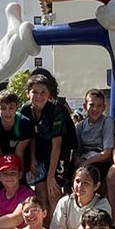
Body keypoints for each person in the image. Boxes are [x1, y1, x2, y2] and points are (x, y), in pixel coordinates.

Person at [20, 67, 69, 213]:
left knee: (53, 193)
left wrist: (50, 177)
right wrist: (32, 158)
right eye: (35, 92)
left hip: (58, 154)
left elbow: (57, 145)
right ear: (28, 93)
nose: (39, 96)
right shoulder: (25, 110)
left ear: (49, 93)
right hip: (40, 154)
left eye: (43, 92)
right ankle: (44, 226)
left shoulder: (56, 110)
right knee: (41, 196)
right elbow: (31, 136)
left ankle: (59, 226)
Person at [0, 90, 34, 174]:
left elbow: (19, 153)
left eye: (11, 108)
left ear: (17, 107)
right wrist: (0, 176)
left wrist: (20, 176)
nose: (7, 112)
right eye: (3, 108)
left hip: (22, 159)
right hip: (3, 157)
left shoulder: (25, 124)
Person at [75, 88, 115, 179]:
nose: (95, 109)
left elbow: (106, 153)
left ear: (104, 107)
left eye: (99, 106)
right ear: (85, 106)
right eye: (91, 105)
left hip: (100, 161)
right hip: (84, 159)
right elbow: (77, 151)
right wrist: (76, 160)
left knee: (88, 175)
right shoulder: (81, 126)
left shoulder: (107, 122)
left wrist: (86, 163)